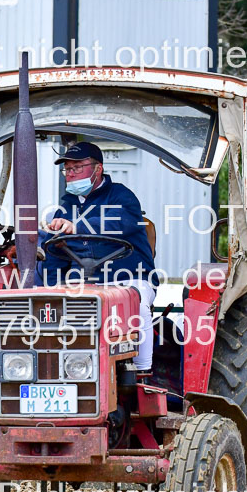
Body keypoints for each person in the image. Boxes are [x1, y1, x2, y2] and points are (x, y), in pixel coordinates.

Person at [39, 142, 159, 372]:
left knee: (139, 307)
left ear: (98, 169)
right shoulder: (65, 207)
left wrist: (77, 226)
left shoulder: (122, 196)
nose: (71, 174)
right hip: (83, 282)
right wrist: (48, 287)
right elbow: (54, 256)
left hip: (128, 277)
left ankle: (143, 374)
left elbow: (118, 222)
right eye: (68, 169)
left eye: (77, 167)